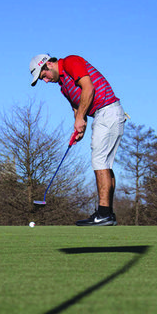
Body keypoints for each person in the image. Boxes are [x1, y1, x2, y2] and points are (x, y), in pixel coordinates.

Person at [30, 54, 127, 226]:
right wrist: (78, 128)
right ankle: (108, 214)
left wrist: (81, 118)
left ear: (49, 65)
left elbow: (88, 89)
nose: (45, 81)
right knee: (105, 163)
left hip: (107, 111)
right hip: (104, 115)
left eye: (43, 76)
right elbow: (78, 107)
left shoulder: (70, 62)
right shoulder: (63, 87)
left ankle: (104, 213)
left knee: (99, 162)